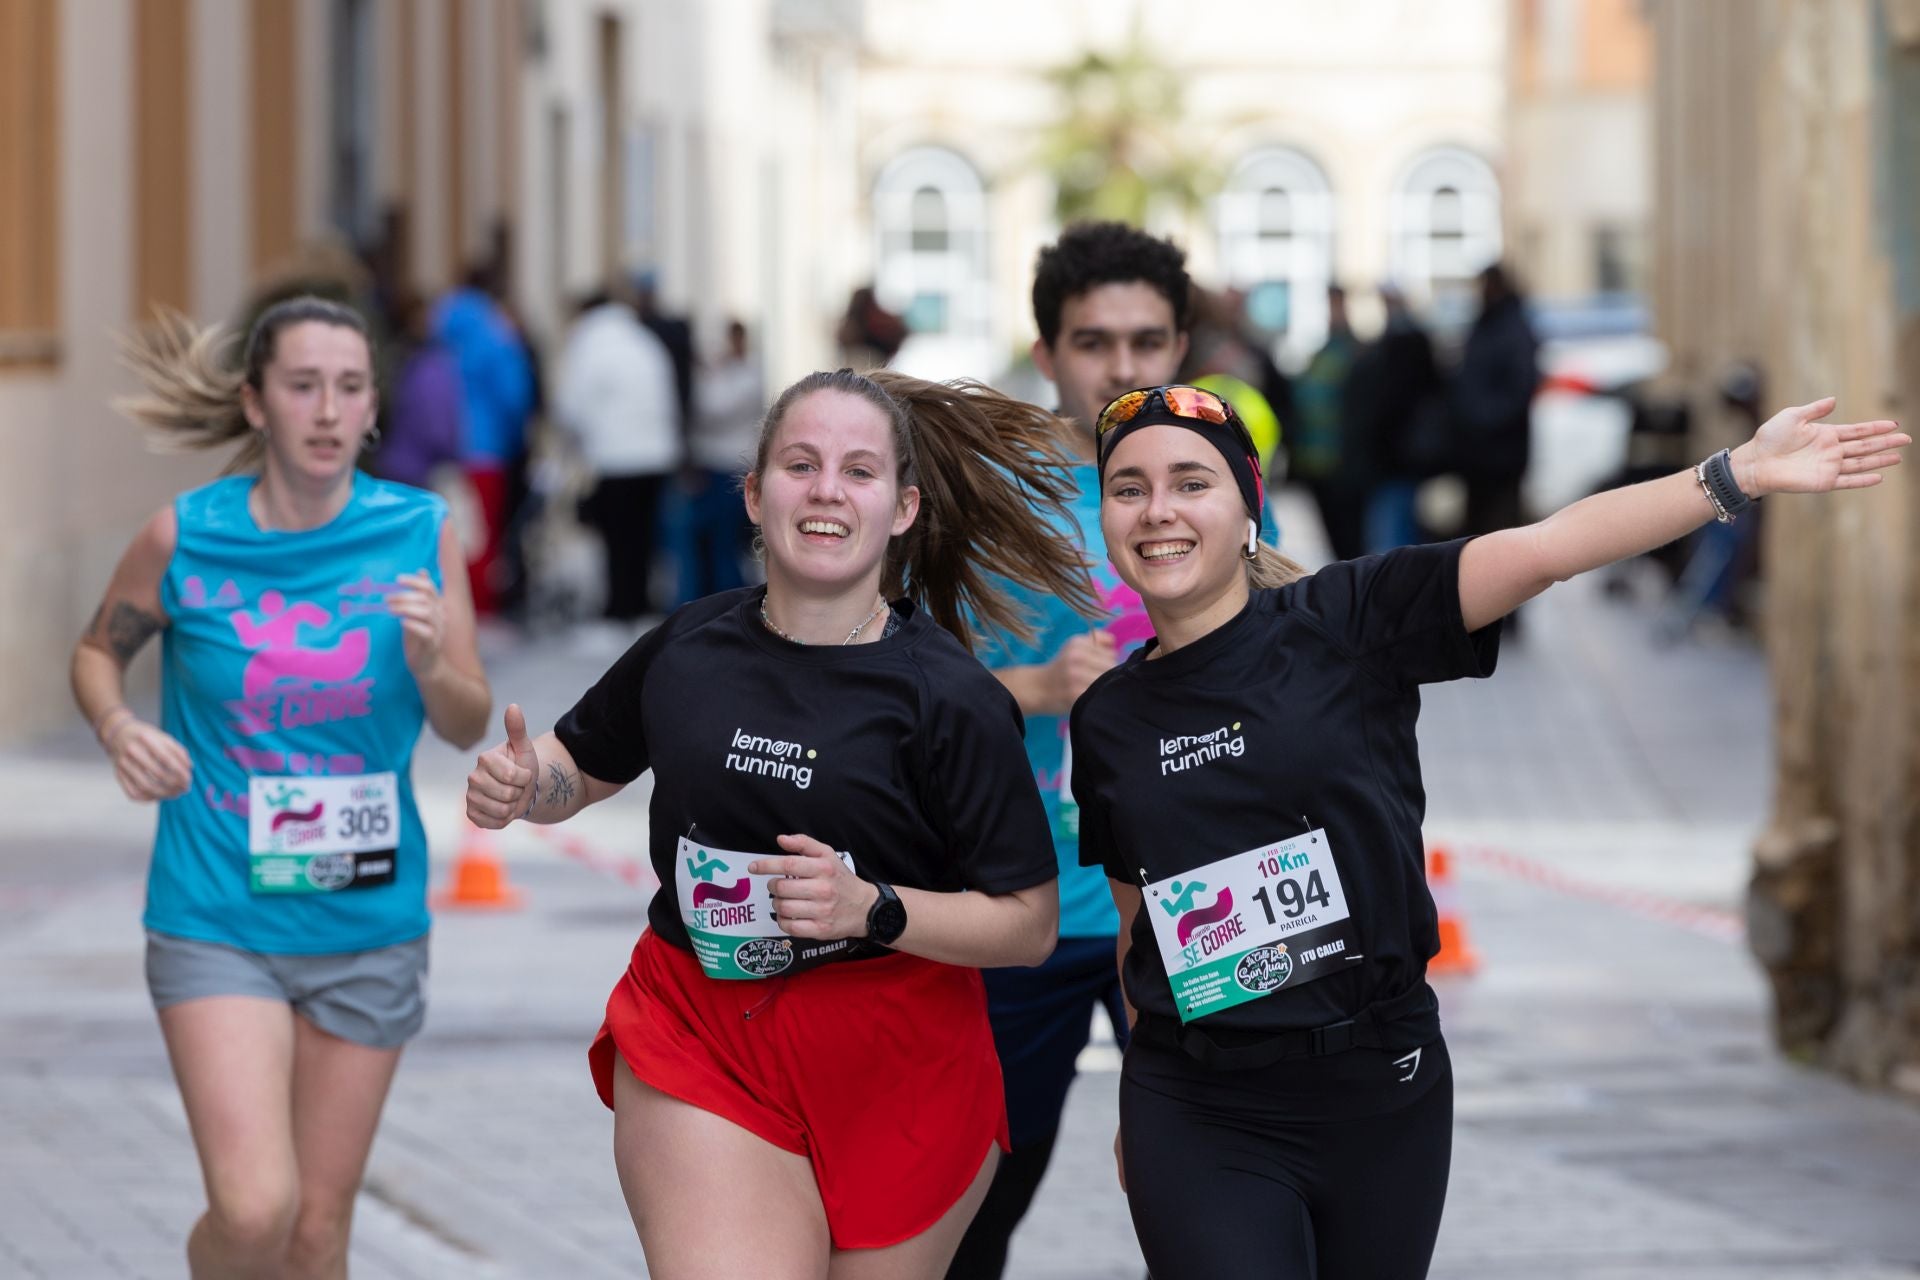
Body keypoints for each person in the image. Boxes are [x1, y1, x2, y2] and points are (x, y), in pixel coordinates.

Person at [1070, 382, 1907, 1279]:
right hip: (1198, 1108)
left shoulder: (1351, 618)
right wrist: (1138, 1104)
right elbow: (1139, 927)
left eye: (1192, 482)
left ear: (1249, 508)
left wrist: (1734, 475)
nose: (1159, 510)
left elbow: (1548, 550)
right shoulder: (1109, 718)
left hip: (1380, 1094)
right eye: (1130, 488)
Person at [465, 367, 1101, 1277]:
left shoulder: (952, 697)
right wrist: (526, 785)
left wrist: (872, 908)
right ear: (757, 497)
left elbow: (1029, 926)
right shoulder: (689, 644)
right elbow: (583, 764)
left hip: (901, 1064)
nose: (827, 491)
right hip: (706, 1032)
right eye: (800, 465)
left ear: (904, 508)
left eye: (858, 471)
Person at [72, 297, 491, 1278]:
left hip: (368, 921)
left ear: (374, 407)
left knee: (316, 1233)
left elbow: (466, 717)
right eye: (303, 386)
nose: (328, 409)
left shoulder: (421, 530)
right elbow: (99, 650)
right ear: (257, 404)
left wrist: (432, 661)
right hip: (216, 910)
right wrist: (118, 724)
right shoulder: (185, 535)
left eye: (349, 387)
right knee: (257, 1210)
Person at [944, 219, 1186, 1280]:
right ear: (1046, 354)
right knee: (973, 1208)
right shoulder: (983, 500)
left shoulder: (1214, 486)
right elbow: (900, 696)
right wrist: (1037, 689)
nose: (1123, 366)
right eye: (1094, 341)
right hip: (1021, 908)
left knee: (1203, 1203)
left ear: (1180, 346)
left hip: (1184, 914)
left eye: (1147, 339)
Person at [553, 287, 683, 621]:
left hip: (615, 456)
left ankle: (619, 607)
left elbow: (571, 404)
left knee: (616, 537)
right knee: (644, 536)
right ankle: (641, 603)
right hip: (657, 455)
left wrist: (575, 441)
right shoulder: (642, 338)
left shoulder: (589, 342)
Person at [432, 265, 537, 614]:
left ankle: (451, 604)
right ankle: (479, 608)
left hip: (442, 446)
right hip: (486, 446)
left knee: (450, 530)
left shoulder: (440, 325)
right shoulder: (495, 334)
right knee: (483, 533)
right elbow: (514, 395)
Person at [670, 318, 765, 605]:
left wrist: (705, 376)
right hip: (709, 465)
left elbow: (713, 410)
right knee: (705, 541)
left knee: (724, 541)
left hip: (730, 466)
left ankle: (731, 600)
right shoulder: (723, 374)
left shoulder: (746, 376)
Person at [1451, 262, 1542, 546]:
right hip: (1478, 450)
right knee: (1477, 531)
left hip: (1502, 450)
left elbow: (1520, 387)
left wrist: (1482, 418)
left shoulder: (1512, 327)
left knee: (1501, 531)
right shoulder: (1485, 324)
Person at [1291, 284, 1365, 560]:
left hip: (1344, 465)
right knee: (1336, 538)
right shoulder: (1322, 353)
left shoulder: (1355, 353)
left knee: (1350, 539)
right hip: (1317, 463)